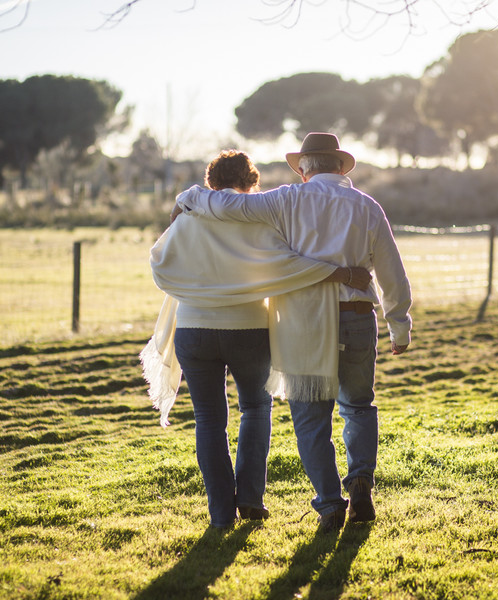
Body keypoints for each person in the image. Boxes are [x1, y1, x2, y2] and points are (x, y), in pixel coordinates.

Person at [174, 133, 413, 533]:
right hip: (356, 315)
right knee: (357, 405)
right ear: (340, 167)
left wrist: (188, 197)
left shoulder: (286, 199)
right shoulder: (368, 207)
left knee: (309, 416)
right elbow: (392, 270)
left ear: (303, 169)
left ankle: (330, 504)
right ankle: (360, 483)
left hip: (304, 319)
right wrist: (399, 324)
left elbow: (229, 202)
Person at [142, 150, 371, 529]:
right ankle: (249, 498)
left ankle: (220, 514)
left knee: (209, 421)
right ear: (251, 185)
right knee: (255, 408)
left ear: (211, 184)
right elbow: (289, 266)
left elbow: (159, 262)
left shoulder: (187, 219)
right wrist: (341, 274)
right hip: (248, 330)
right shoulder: (258, 223)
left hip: (194, 331)